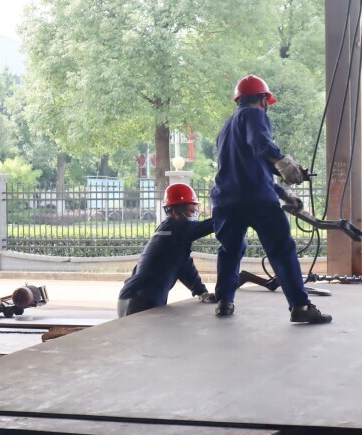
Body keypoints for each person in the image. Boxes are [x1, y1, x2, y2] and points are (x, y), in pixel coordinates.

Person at [210, 74, 332, 324]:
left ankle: (224, 302)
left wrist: (284, 193)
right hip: (257, 201)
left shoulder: (225, 129)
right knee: (282, 250)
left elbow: (250, 168)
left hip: (225, 202)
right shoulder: (254, 115)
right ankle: (300, 306)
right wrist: (284, 162)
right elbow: (261, 143)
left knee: (230, 250)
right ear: (264, 100)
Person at [117, 183, 216, 317]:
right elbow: (209, 225)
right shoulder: (175, 229)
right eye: (191, 211)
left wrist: (201, 292)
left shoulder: (171, 237)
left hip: (133, 298)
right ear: (175, 212)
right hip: (138, 301)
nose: (195, 216)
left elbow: (185, 267)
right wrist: (231, 214)